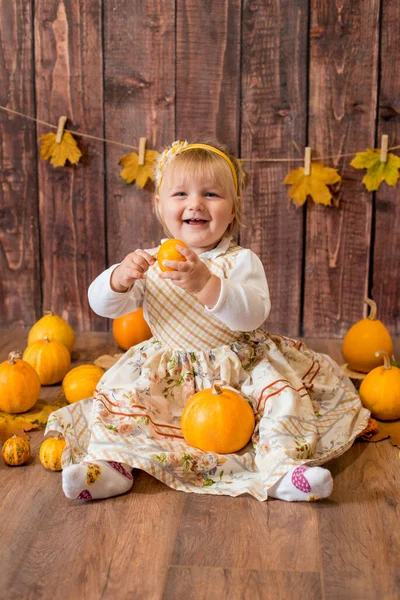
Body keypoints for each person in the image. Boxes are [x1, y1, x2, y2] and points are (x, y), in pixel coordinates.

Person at [46, 140, 370, 502]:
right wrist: (118, 279)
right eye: (180, 193)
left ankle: (281, 469)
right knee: (122, 401)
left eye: (211, 194)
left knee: (280, 403)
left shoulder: (240, 261)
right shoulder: (150, 263)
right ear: (159, 206)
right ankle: (111, 466)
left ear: (233, 210)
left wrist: (207, 284)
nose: (195, 203)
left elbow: (252, 314)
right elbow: (104, 306)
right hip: (168, 370)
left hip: (240, 367)